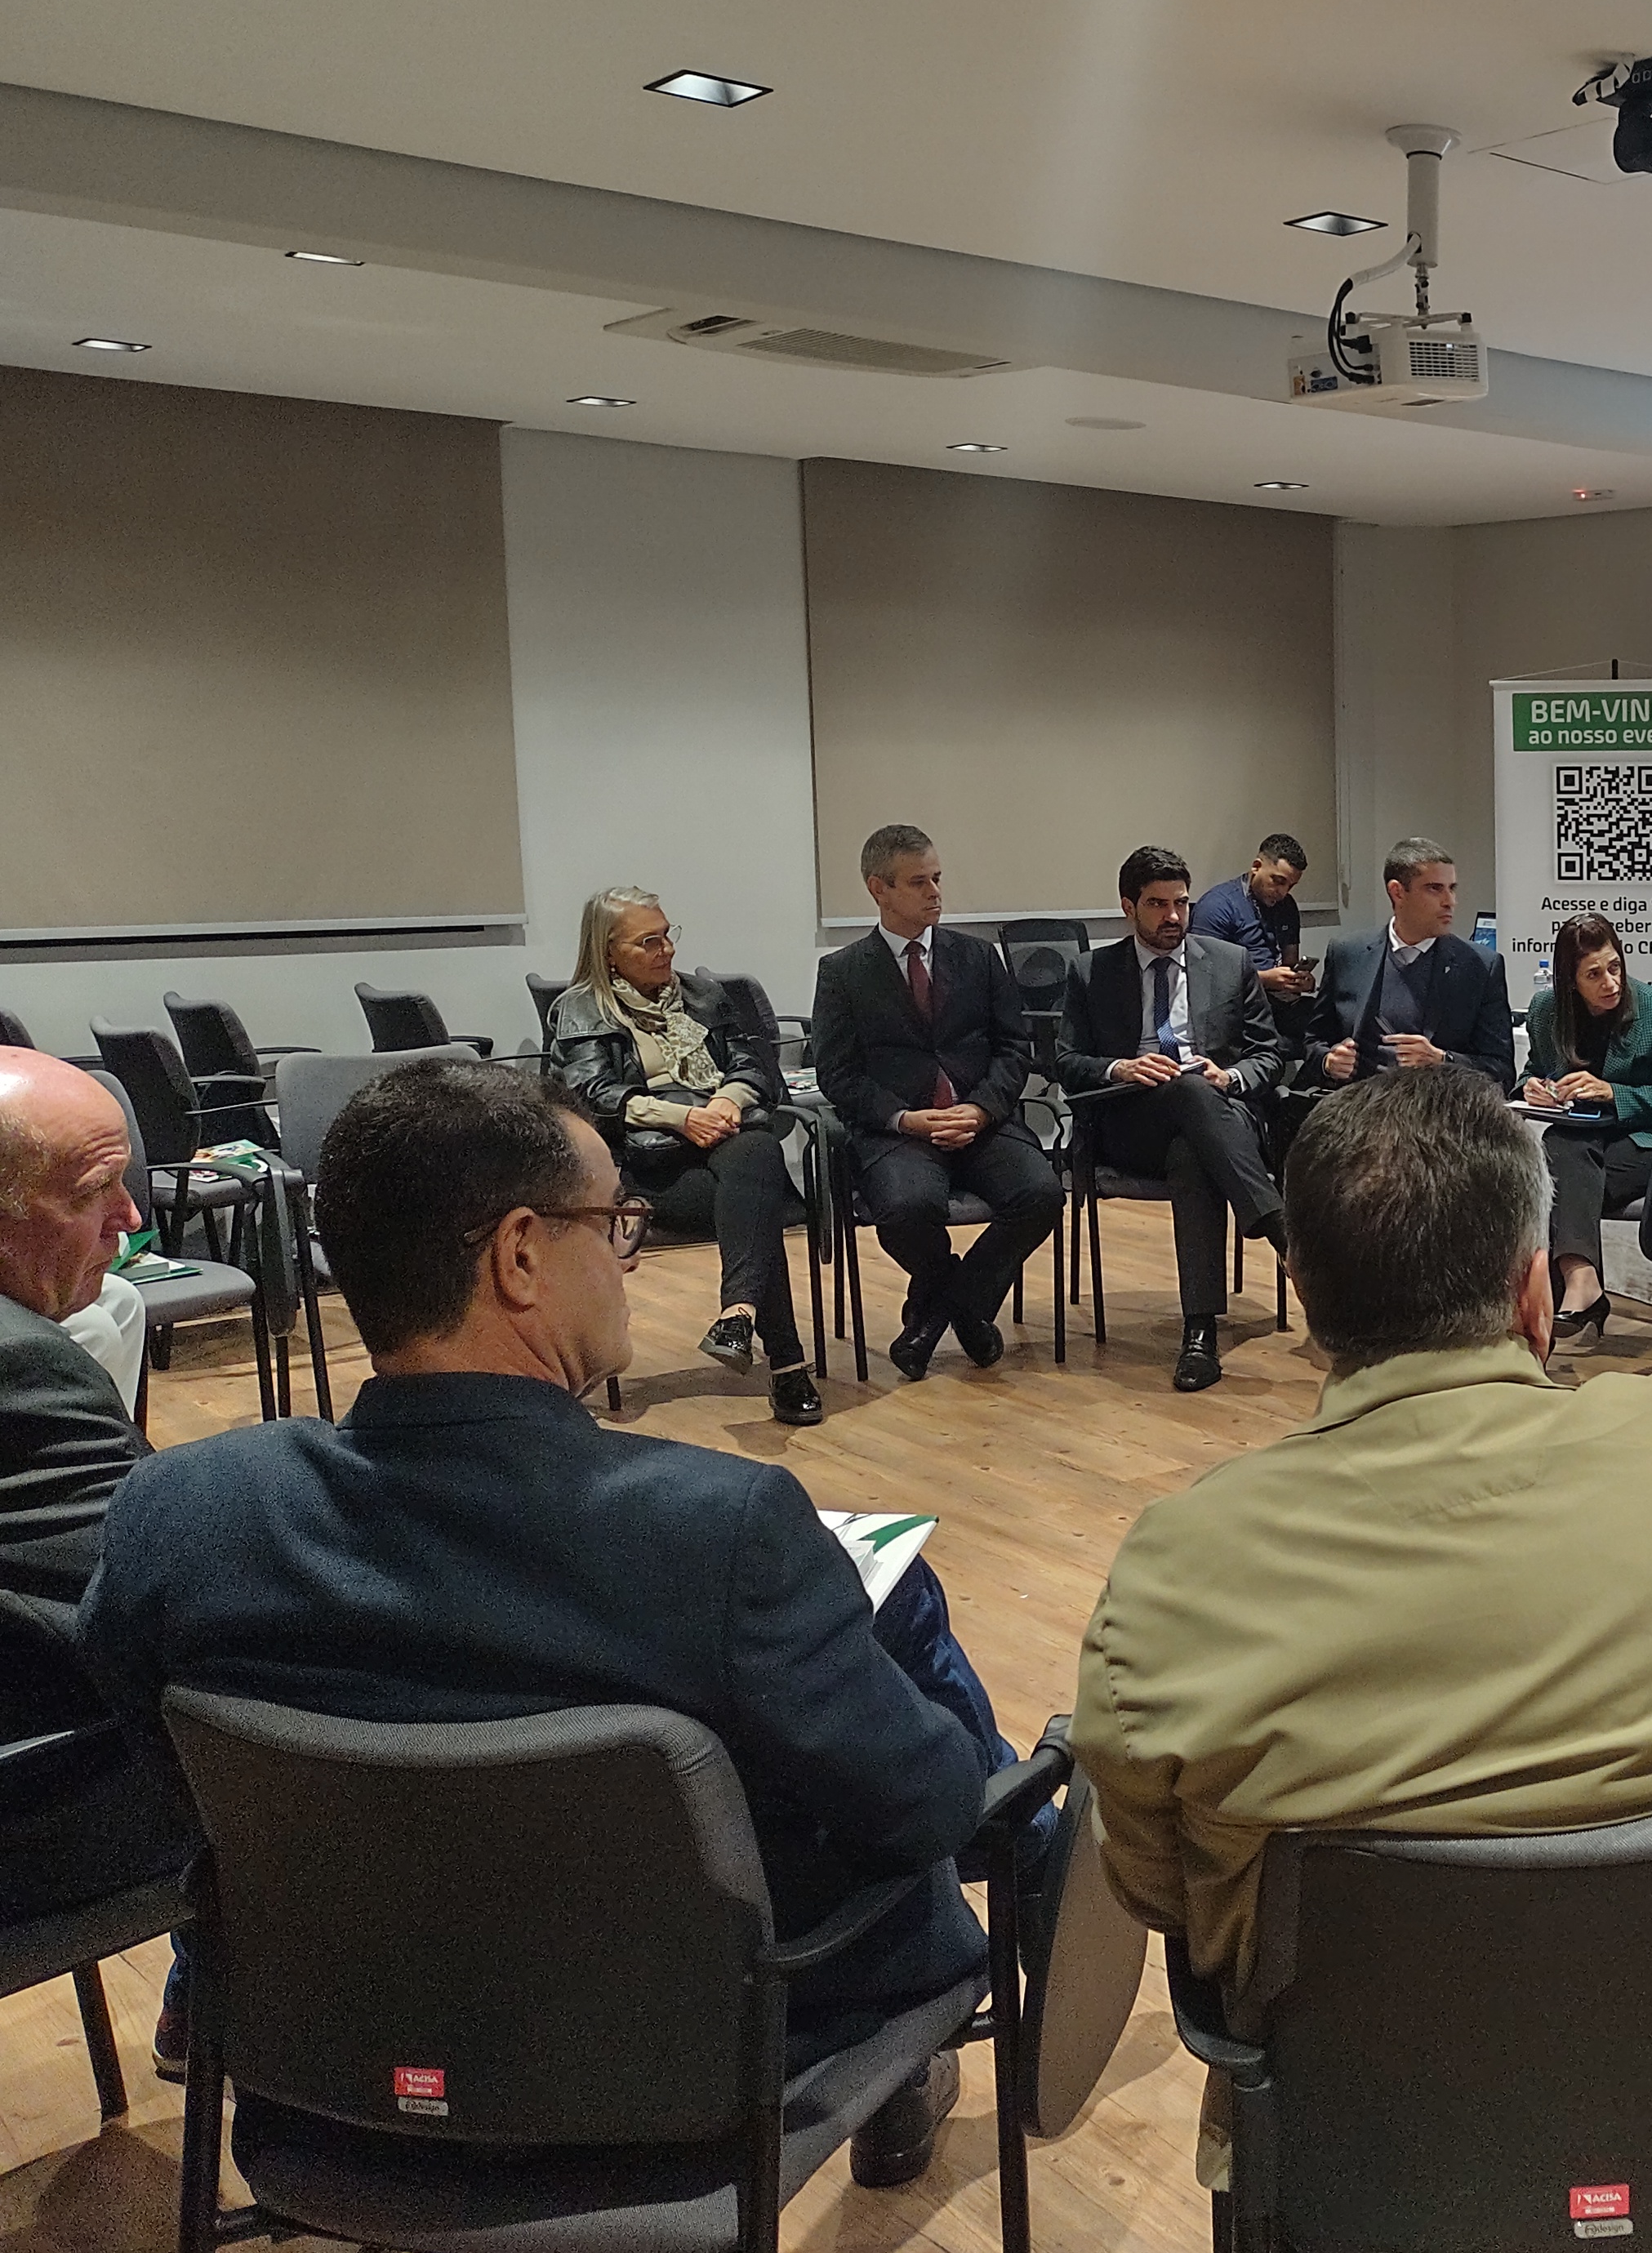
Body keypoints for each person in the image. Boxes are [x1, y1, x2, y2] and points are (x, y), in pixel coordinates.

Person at [78, 1061, 1031, 2186]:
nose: (628, 1260)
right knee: (921, 1670)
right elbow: (928, 1807)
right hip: (687, 2094)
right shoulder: (719, 1530)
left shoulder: (178, 1514)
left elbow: (161, 1783)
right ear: (520, 1255)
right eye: (615, 1223)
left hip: (327, 2083)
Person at [1068, 1063, 1652, 2024]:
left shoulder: (1173, 1579)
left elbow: (1158, 1892)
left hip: (1354, 2101)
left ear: (1305, 1294)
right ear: (1535, 1296)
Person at [0, 1049, 198, 1970]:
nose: (131, 1218)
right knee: (306, 1764)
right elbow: (153, 1598)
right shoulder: (21, 1367)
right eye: (93, 1192)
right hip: (27, 1799)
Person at [548, 886, 820, 1426]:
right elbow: (592, 1096)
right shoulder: (580, 1009)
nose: (666, 950)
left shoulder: (704, 996)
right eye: (648, 942)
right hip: (648, 1170)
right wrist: (681, 1117)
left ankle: (738, 1316)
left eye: (667, 935)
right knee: (757, 1202)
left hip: (728, 1148)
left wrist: (725, 1100)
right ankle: (786, 1365)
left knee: (756, 1157)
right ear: (609, 952)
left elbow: (753, 1068)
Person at [810, 824, 1062, 1380]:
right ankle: (962, 1308)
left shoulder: (977, 957)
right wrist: (903, 1118)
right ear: (879, 889)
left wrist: (981, 1109)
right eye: (918, 882)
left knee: (1041, 1193)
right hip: (900, 1130)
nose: (935, 893)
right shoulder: (844, 972)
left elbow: (1014, 1048)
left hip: (982, 1120)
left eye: (938, 878)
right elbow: (837, 1073)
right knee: (906, 1209)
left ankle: (942, 1312)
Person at [1057, 845, 1288, 1393]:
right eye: (1158, 905)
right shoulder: (1092, 971)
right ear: (1128, 907)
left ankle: (1200, 1335)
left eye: (1181, 903)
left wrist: (1230, 1076)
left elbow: (1269, 1054)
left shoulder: (1230, 962)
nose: (1174, 917)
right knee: (1185, 1092)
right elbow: (1065, 1061)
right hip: (1130, 1120)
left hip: (1218, 1115)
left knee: (1192, 1147)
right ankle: (1284, 1233)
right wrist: (1120, 1067)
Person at [1520, 912, 1652, 1348]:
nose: (1611, 982)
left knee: (1552, 1181)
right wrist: (1533, 1088)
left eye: (1615, 967)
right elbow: (1533, 1071)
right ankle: (1580, 1286)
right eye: (1594, 974)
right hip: (1584, 1143)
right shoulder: (1546, 1012)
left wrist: (1613, 1093)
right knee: (1563, 1147)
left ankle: (1563, 1295)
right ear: (1570, 982)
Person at [1301, 837, 1513, 1089]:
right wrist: (1329, 1062)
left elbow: (1501, 1072)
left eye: (1452, 888)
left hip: (1437, 1106)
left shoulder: (1480, 966)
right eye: (1435, 888)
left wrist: (1443, 1061)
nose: (1450, 901)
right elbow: (1314, 1042)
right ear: (1398, 892)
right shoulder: (1348, 953)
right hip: (1359, 1103)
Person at [1191, 833, 1319, 1038]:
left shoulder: (1286, 905)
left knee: (1332, 1019)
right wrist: (1263, 980)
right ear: (1256, 866)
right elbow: (1203, 977)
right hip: (1236, 1008)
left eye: (1290, 886)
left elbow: (1290, 963)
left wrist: (1299, 980)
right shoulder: (1217, 906)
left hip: (1278, 1003)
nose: (1283, 892)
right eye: (1278, 881)